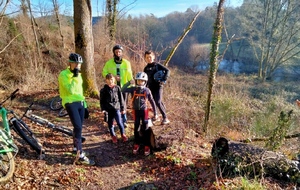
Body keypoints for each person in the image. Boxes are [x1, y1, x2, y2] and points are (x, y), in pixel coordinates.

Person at [58, 53, 95, 166]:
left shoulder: (79, 74)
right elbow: (70, 90)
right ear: (70, 63)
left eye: (79, 63)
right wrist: (74, 77)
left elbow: (80, 91)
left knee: (78, 127)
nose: (77, 65)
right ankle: (80, 154)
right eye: (75, 63)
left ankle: (75, 148)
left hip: (80, 102)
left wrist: (85, 105)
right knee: (78, 127)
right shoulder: (63, 74)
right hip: (70, 102)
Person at [122, 72, 157, 156]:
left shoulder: (147, 90)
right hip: (135, 111)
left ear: (145, 82)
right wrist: (129, 83)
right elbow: (122, 89)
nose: (140, 82)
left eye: (142, 81)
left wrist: (155, 113)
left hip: (144, 111)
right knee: (136, 128)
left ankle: (147, 145)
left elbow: (152, 101)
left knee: (145, 128)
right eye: (138, 81)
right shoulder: (133, 89)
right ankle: (136, 143)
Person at [102, 44, 133, 127]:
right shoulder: (109, 63)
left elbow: (130, 74)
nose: (118, 53)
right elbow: (104, 72)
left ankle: (124, 120)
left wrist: (131, 81)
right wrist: (112, 76)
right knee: (115, 103)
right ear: (114, 53)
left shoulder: (127, 63)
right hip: (113, 87)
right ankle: (116, 120)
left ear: (122, 53)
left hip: (124, 86)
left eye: (119, 52)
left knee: (124, 103)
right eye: (116, 52)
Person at [143, 50, 171, 125]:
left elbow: (167, 70)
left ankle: (165, 118)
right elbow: (145, 79)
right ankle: (157, 115)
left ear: (153, 57)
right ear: (145, 58)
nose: (149, 59)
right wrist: (144, 88)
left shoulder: (157, 65)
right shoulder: (145, 69)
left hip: (159, 86)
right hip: (150, 88)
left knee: (158, 101)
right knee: (155, 102)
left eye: (150, 57)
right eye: (147, 57)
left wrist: (164, 79)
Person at [100, 73, 128, 143]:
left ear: (114, 80)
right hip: (108, 109)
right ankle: (113, 136)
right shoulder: (103, 90)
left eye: (111, 79)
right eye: (108, 80)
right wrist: (103, 109)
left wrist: (123, 108)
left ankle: (123, 134)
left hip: (117, 108)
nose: (110, 81)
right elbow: (102, 101)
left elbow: (121, 99)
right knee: (110, 123)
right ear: (106, 80)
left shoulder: (117, 88)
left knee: (119, 122)